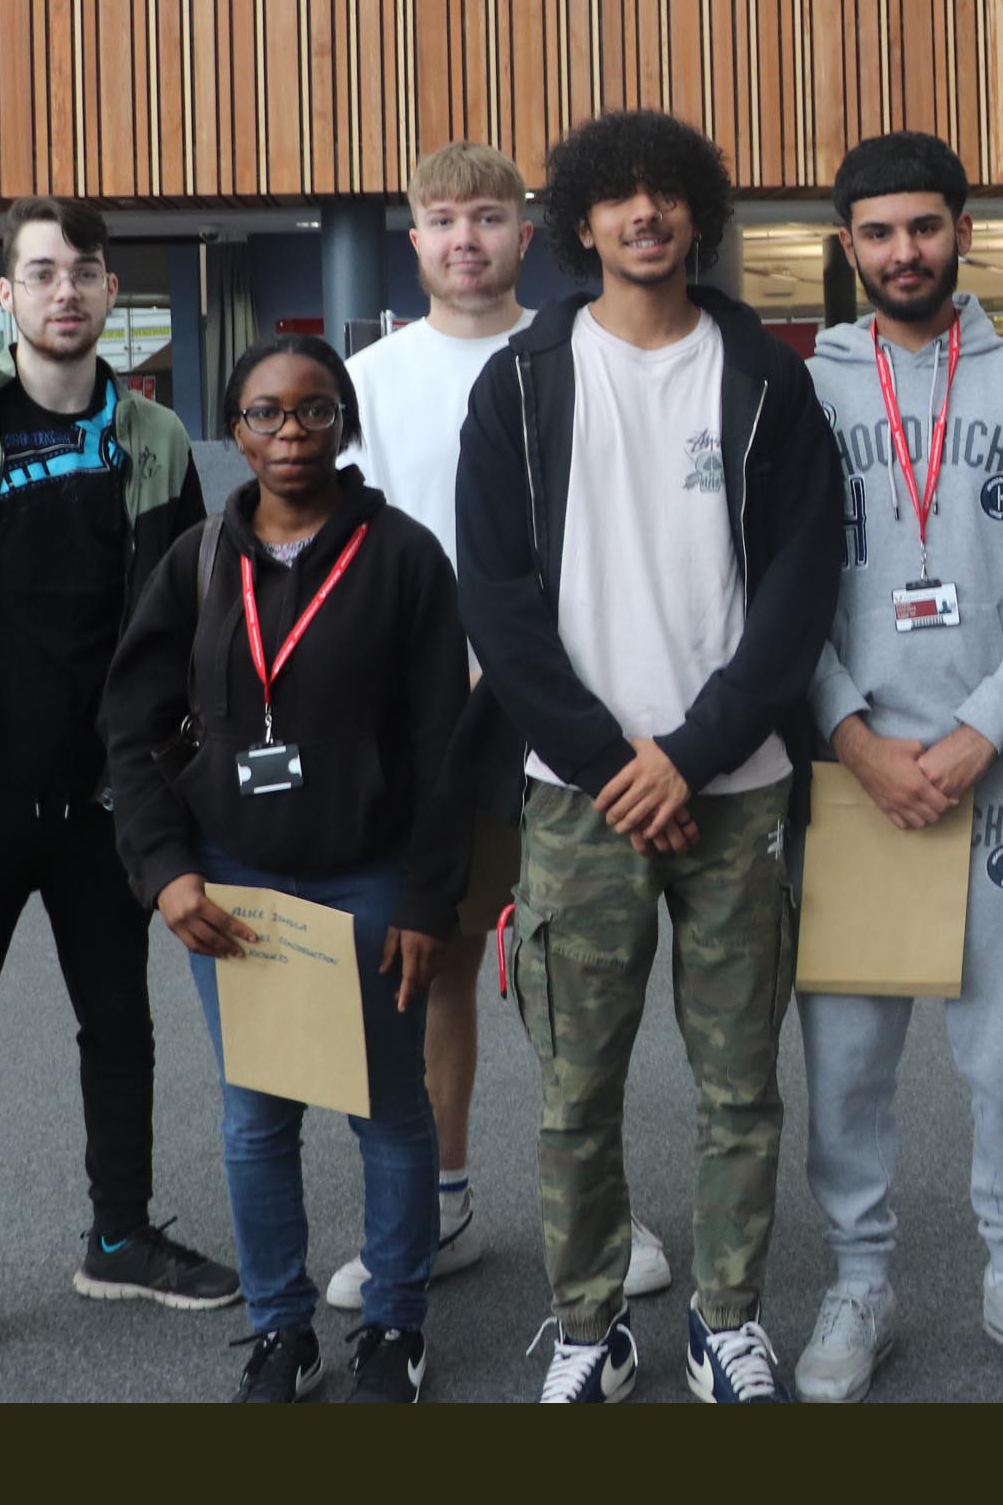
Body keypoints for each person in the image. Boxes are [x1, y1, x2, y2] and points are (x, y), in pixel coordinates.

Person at [457, 108, 842, 1406]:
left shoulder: (769, 382)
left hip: (737, 793)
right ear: (579, 221)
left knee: (741, 1089)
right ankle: (588, 1327)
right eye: (616, 196)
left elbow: (801, 588)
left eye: (666, 193)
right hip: (576, 802)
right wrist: (615, 758)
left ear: (697, 214)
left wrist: (692, 752)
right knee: (577, 1093)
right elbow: (497, 603)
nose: (644, 213)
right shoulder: (519, 383)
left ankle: (727, 1319)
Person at [326, 142, 669, 1314]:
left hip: (578, 712)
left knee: (588, 968)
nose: (464, 238)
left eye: (486, 217)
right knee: (443, 963)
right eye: (441, 219)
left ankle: (604, 1214)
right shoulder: (364, 382)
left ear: (527, 235)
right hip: (430, 730)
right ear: (411, 241)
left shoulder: (585, 356)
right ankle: (445, 1199)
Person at [104, 336, 471, 1402]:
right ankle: (280, 1328)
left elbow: (446, 744)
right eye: (265, 414)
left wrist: (424, 897)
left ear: (344, 424)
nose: (290, 434)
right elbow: (129, 724)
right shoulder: (200, 561)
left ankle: (395, 1324)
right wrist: (166, 870)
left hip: (369, 879)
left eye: (314, 412)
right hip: (233, 883)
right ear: (237, 429)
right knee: (256, 1113)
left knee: (386, 1108)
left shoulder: (403, 558)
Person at [793, 130, 1003, 1402]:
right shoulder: (798, 395)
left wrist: (980, 727)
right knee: (848, 1054)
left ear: (961, 231)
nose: (902, 252)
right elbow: (770, 594)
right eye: (877, 232)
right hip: (850, 772)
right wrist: (856, 738)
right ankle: (859, 1278)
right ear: (849, 245)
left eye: (924, 226)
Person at [0, 196, 238, 1314]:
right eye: (40, 271)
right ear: (7, 293)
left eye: (83, 272)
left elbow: (189, 626)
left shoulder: (153, 439)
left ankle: (120, 1237)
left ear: (107, 293)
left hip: (107, 795)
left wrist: (168, 770)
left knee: (118, 1023)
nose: (63, 291)